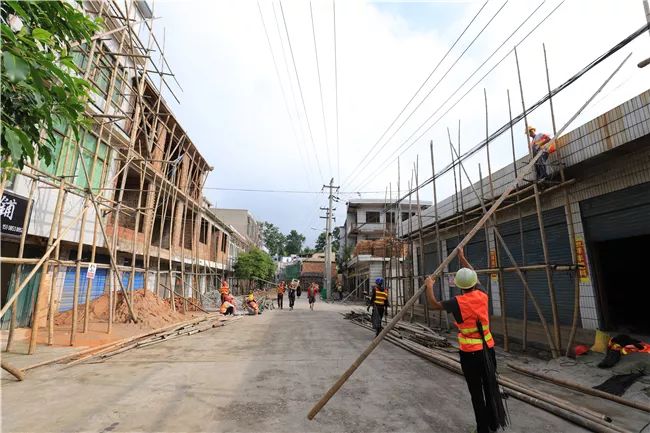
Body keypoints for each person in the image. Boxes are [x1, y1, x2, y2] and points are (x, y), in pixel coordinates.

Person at [424, 248, 504, 433]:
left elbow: (434, 305)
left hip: (470, 355)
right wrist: (462, 258)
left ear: (459, 285)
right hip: (488, 350)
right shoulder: (483, 296)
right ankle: (494, 423)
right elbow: (473, 275)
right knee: (490, 387)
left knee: (476, 393)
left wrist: (429, 285)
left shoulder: (457, 302)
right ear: (475, 283)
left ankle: (482, 429)